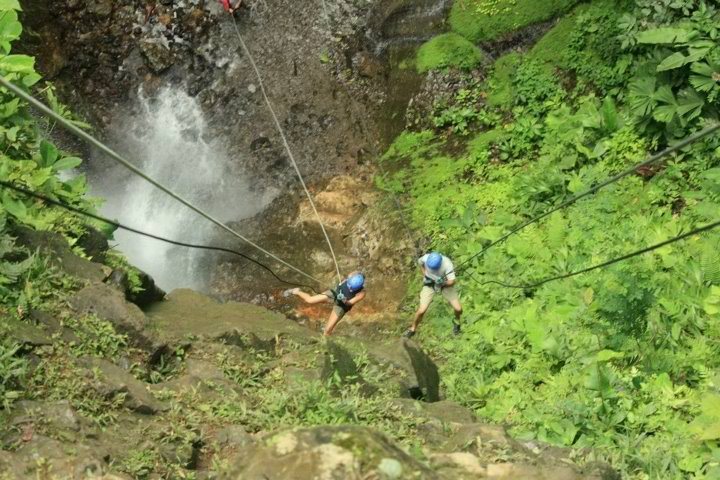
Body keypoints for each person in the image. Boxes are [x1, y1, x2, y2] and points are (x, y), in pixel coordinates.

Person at [287, 272, 366, 336]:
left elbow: (349, 303)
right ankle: (296, 291)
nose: (349, 288)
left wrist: (344, 299)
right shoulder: (352, 275)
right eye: (349, 285)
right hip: (334, 294)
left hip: (342, 306)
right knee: (310, 300)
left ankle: (325, 344)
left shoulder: (362, 293)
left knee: (327, 330)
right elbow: (348, 277)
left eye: (351, 288)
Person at [403, 252, 462, 338]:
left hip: (444, 284)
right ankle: (412, 329)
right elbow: (420, 263)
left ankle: (456, 321)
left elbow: (452, 282)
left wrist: (443, 283)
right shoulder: (426, 258)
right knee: (421, 310)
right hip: (430, 283)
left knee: (458, 309)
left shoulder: (447, 264)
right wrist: (425, 275)